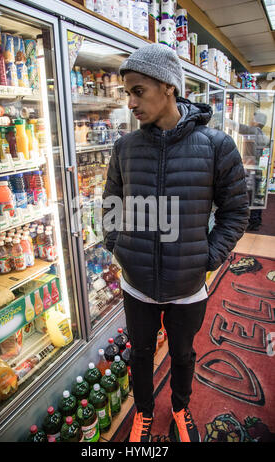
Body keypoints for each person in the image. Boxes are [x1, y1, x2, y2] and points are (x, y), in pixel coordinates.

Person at [102, 43, 249, 443]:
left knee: (183, 353)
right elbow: (111, 204)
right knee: (142, 354)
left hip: (188, 286)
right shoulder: (125, 148)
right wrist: (119, 247)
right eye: (127, 92)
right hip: (137, 284)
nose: (131, 102)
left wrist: (209, 256)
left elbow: (237, 210)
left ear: (168, 87)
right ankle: (144, 412)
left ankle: (181, 407)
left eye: (138, 90)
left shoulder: (216, 146)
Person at [226, 111, 269, 231]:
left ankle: (252, 221)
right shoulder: (263, 135)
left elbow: (236, 126)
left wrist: (221, 118)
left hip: (250, 169)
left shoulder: (252, 131)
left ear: (257, 121)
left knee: (247, 195)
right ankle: (256, 220)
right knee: (257, 196)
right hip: (259, 169)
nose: (250, 120)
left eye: (252, 118)